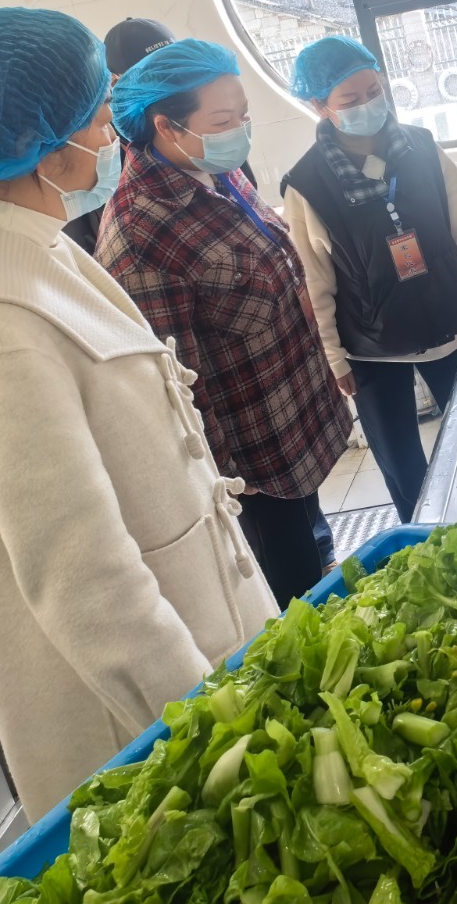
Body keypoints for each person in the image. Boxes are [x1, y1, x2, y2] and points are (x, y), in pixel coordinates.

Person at [0, 8, 273, 820]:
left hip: (205, 659)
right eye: (101, 121)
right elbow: (89, 587)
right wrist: (222, 739)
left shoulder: (33, 244)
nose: (113, 142)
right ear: (41, 146)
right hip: (152, 735)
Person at [97, 39, 351, 603]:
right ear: (166, 127)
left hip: (289, 418)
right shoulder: (141, 235)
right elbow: (175, 388)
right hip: (250, 465)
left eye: (243, 115)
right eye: (222, 120)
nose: (239, 131)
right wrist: (225, 485)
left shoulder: (216, 169)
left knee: (313, 547)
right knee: (291, 592)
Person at [281, 36, 457, 524]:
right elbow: (314, 280)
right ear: (319, 106)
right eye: (350, 99)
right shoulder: (307, 184)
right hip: (370, 347)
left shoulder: (422, 147)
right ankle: (425, 542)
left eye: (374, 91)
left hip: (446, 321)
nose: (367, 105)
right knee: (403, 465)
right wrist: (333, 355)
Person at [63, 17, 260, 253]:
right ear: (115, 84)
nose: (174, 87)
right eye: (156, 76)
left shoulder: (209, 137)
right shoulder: (104, 162)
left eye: (178, 69)